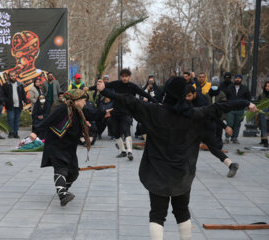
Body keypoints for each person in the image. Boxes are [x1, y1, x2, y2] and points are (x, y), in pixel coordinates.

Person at [96, 77, 257, 240]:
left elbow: (128, 100)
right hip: (182, 174)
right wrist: (245, 103)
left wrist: (105, 91)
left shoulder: (153, 112)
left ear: (166, 93)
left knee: (157, 216)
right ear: (184, 95)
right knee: (182, 212)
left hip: (157, 174)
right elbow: (219, 107)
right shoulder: (195, 114)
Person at [29, 89, 95, 207]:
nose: (85, 103)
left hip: (69, 146)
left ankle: (64, 188)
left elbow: (93, 114)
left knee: (74, 172)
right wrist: (35, 132)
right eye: (84, 100)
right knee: (61, 168)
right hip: (56, 143)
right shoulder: (62, 109)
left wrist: (105, 113)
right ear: (76, 100)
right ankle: (62, 195)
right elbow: (47, 121)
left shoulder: (79, 110)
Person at [98, 69, 157, 161]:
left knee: (126, 130)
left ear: (129, 77)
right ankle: (123, 151)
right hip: (115, 111)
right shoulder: (116, 84)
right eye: (123, 76)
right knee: (115, 132)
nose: (125, 78)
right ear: (121, 77)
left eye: (126, 76)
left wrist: (156, 102)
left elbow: (144, 94)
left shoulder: (133, 86)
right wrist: (88, 88)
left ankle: (130, 151)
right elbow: (101, 86)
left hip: (127, 112)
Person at [186, 84, 239, 178]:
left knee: (191, 147)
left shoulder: (201, 101)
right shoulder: (192, 98)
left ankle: (188, 169)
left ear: (194, 94)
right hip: (200, 127)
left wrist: (225, 126)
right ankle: (231, 164)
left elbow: (212, 115)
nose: (187, 98)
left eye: (189, 96)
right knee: (213, 149)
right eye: (186, 96)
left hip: (206, 127)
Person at [224, 74, 251, 144]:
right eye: (236, 78)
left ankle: (234, 138)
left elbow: (248, 98)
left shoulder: (245, 88)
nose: (237, 79)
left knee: (237, 124)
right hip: (230, 109)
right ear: (234, 79)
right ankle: (227, 137)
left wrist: (247, 105)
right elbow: (225, 97)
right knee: (229, 123)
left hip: (240, 109)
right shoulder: (229, 88)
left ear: (241, 79)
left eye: (239, 78)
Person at [3, 71, 28, 138]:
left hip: (18, 105)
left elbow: (23, 94)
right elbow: (3, 95)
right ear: (9, 77)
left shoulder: (19, 84)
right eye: (11, 76)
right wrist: (7, 101)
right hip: (10, 105)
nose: (13, 77)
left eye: (14, 76)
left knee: (16, 120)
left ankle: (16, 133)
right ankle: (11, 133)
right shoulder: (6, 85)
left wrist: (25, 101)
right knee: (10, 119)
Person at [257, 81, 269, 147]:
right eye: (266, 86)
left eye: (268, 86)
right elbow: (257, 103)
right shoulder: (262, 95)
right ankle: (265, 141)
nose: (267, 88)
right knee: (263, 126)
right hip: (262, 113)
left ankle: (263, 139)